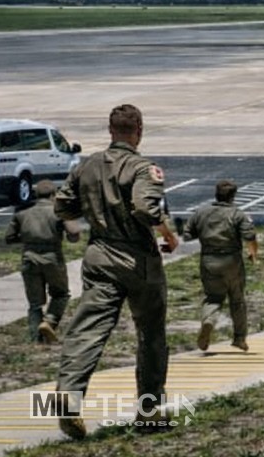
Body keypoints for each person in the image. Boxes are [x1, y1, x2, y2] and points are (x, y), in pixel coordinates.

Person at [53, 104, 179, 439]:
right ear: (139, 130)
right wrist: (168, 235)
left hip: (99, 255)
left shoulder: (87, 165)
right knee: (150, 334)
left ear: (110, 131)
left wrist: (93, 220)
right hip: (137, 260)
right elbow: (144, 206)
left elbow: (62, 205)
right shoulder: (143, 168)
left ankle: (68, 394)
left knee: (88, 329)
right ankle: (149, 411)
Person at [182, 180, 258, 352]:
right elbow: (250, 236)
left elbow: (187, 235)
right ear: (233, 196)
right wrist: (253, 254)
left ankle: (208, 320)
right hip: (232, 260)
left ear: (216, 193)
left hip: (208, 259)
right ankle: (239, 338)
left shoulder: (201, 212)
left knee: (213, 297)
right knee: (237, 300)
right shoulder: (237, 214)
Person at [6, 180, 81, 343]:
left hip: (29, 257)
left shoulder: (22, 213)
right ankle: (49, 322)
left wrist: (27, 238)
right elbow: (74, 234)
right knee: (61, 294)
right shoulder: (58, 211)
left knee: (34, 303)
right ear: (54, 194)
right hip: (52, 257)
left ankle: (35, 339)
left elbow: (9, 238)